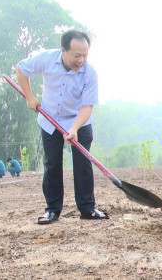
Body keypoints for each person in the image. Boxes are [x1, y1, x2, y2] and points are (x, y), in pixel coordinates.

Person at [16, 29, 108, 225]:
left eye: (85, 55)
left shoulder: (90, 73)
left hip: (79, 120)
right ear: (63, 50)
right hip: (50, 119)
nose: (81, 60)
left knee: (83, 163)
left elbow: (87, 107)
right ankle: (52, 209)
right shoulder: (47, 59)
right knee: (52, 164)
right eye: (77, 55)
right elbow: (21, 69)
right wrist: (29, 97)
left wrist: (74, 128)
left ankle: (87, 208)